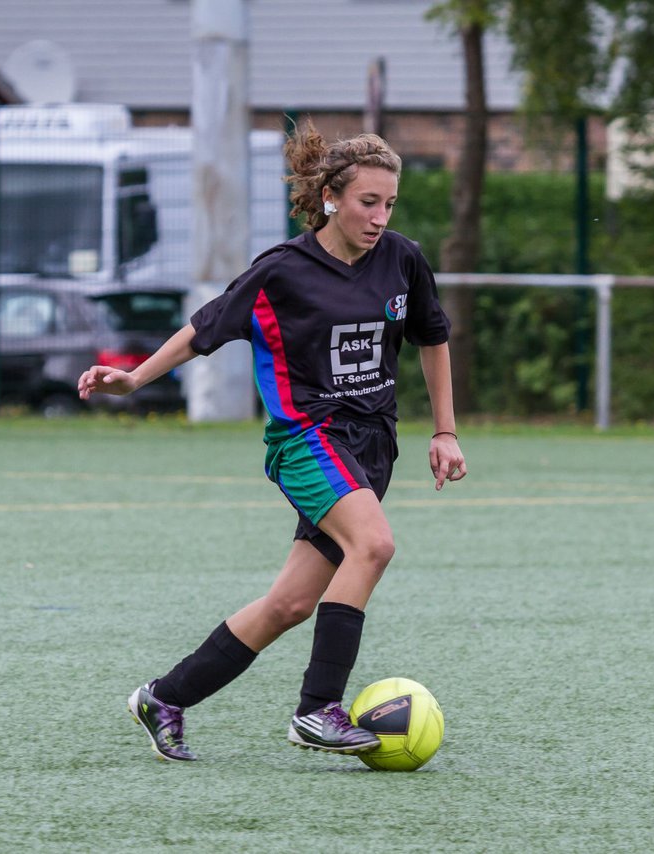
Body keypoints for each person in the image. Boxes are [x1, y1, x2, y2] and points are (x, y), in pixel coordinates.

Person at [78, 123, 467, 762]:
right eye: (368, 202)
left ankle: (164, 697)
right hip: (306, 440)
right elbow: (202, 329)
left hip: (373, 447)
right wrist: (133, 378)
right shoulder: (281, 271)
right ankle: (318, 710)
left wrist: (445, 430)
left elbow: (433, 337)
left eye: (389, 203)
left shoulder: (402, 258)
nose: (379, 216)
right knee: (374, 545)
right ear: (332, 197)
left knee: (289, 604)